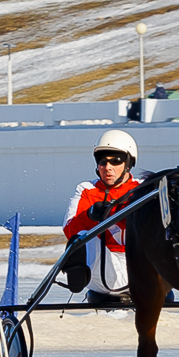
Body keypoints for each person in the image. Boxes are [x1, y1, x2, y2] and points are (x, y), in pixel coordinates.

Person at [58, 130, 140, 306]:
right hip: (100, 270)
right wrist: (90, 215)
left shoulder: (143, 189)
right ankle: (77, 274)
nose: (107, 167)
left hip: (139, 267)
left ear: (128, 164)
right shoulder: (86, 189)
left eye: (115, 161)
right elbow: (69, 228)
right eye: (103, 161)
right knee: (81, 236)